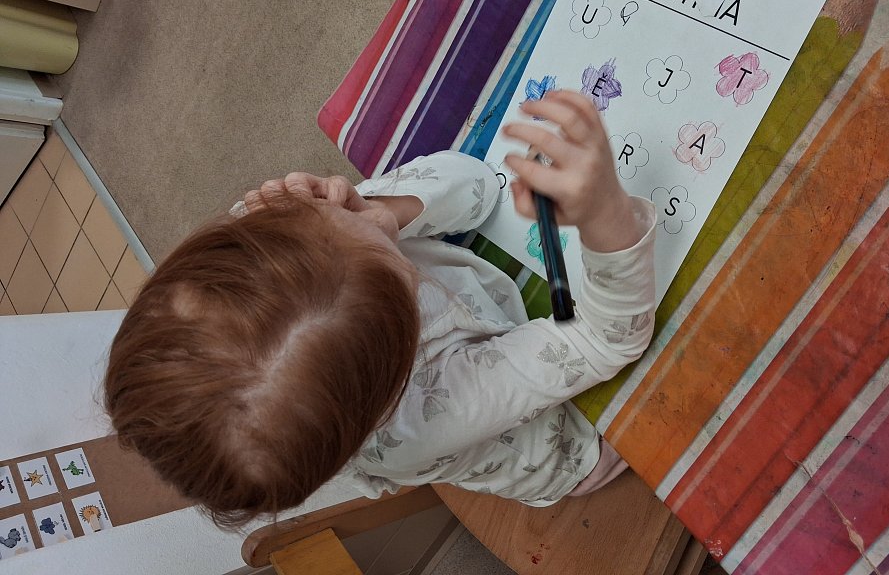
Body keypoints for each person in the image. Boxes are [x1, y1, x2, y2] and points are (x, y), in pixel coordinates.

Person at [104, 90, 657, 526]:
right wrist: (607, 216)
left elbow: (481, 184)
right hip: (573, 438)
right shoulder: (423, 415)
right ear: (401, 345)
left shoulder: (297, 256)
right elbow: (605, 338)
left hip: (499, 324)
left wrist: (386, 210)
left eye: (340, 218)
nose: (363, 220)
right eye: (399, 266)